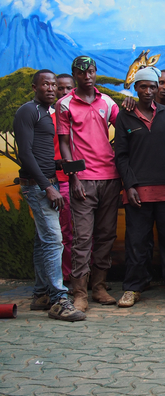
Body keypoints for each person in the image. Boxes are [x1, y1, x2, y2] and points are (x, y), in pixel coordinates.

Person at [14, 70, 85, 321]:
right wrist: (48, 187)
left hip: (46, 180)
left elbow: (41, 155)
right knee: (55, 240)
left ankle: (41, 294)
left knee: (41, 240)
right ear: (34, 87)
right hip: (38, 186)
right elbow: (25, 154)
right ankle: (58, 300)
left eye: (54, 84)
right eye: (45, 84)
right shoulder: (28, 111)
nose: (51, 88)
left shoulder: (48, 113)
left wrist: (63, 166)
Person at [114, 67, 165, 307]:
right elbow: (121, 155)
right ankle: (133, 288)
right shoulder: (125, 116)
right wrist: (129, 185)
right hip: (138, 191)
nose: (148, 91)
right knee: (136, 240)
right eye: (143, 86)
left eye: (152, 87)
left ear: (157, 90)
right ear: (135, 88)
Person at [57, 56, 122, 311]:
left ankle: (99, 287)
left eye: (91, 71)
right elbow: (64, 142)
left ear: (95, 73)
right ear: (75, 74)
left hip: (110, 177)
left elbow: (126, 127)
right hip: (83, 180)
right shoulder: (65, 105)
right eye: (82, 72)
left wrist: (128, 104)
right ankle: (79, 292)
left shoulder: (107, 102)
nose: (87, 76)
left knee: (106, 236)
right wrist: (72, 177)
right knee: (83, 238)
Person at [53, 73, 76, 281]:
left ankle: (86, 274)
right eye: (60, 88)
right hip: (60, 180)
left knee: (86, 232)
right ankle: (66, 276)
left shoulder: (77, 113)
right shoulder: (47, 118)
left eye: (68, 88)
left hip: (82, 179)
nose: (64, 92)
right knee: (65, 231)